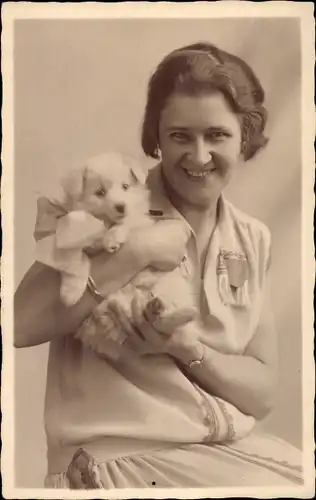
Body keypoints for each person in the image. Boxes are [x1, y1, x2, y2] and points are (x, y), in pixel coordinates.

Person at [14, 42, 303, 489]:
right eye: (180, 136)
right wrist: (135, 254)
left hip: (219, 451)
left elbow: (261, 392)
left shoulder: (251, 238)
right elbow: (17, 324)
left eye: (218, 135)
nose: (200, 155)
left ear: (245, 136)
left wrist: (188, 349)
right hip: (117, 460)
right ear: (157, 137)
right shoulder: (108, 206)